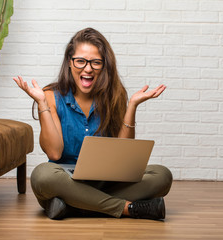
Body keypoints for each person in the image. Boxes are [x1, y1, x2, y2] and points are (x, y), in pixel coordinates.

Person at [13, 28, 172, 220]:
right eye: (80, 61)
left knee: (162, 175)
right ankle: (128, 208)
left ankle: (72, 206)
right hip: (65, 179)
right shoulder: (51, 96)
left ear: (104, 66)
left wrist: (132, 106)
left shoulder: (116, 95)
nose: (87, 69)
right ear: (69, 63)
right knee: (42, 176)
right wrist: (42, 104)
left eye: (96, 63)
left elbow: (123, 156)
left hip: (106, 181)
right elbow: (54, 153)